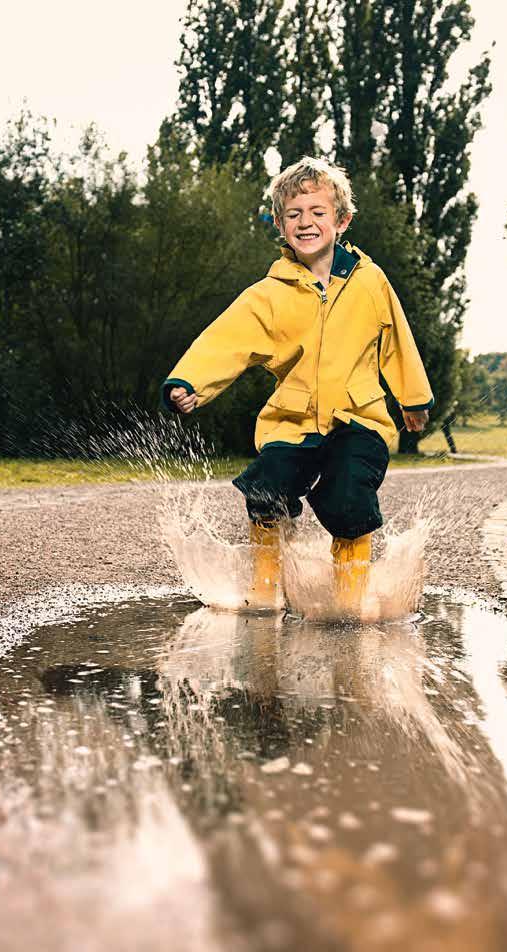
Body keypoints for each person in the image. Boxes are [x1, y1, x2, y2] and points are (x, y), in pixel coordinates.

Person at [161, 155, 434, 614]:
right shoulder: (270, 293)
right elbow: (228, 339)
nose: (306, 223)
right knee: (266, 485)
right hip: (293, 421)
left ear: (341, 220)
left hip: (359, 420)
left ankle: (350, 601)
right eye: (294, 215)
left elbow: (397, 341)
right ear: (280, 224)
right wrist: (192, 381)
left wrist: (413, 398)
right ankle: (267, 590)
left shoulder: (370, 283)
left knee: (349, 499)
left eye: (317, 213)